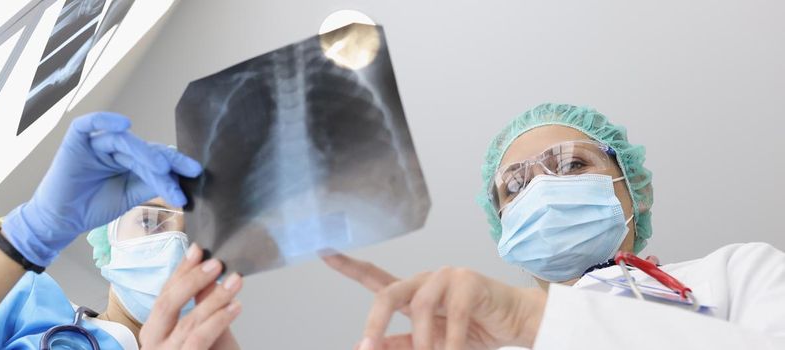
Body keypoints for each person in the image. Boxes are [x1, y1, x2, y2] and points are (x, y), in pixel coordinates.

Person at [324, 103, 785, 349]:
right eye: (516, 186)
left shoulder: (739, 273)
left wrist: (531, 319)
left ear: (635, 190)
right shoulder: (480, 345)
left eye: (570, 165)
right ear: (503, 225)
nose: (542, 190)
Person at [0, 112, 243, 350]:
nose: (174, 243)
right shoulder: (32, 306)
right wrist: (29, 235)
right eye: (150, 221)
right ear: (105, 244)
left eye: (196, 234)